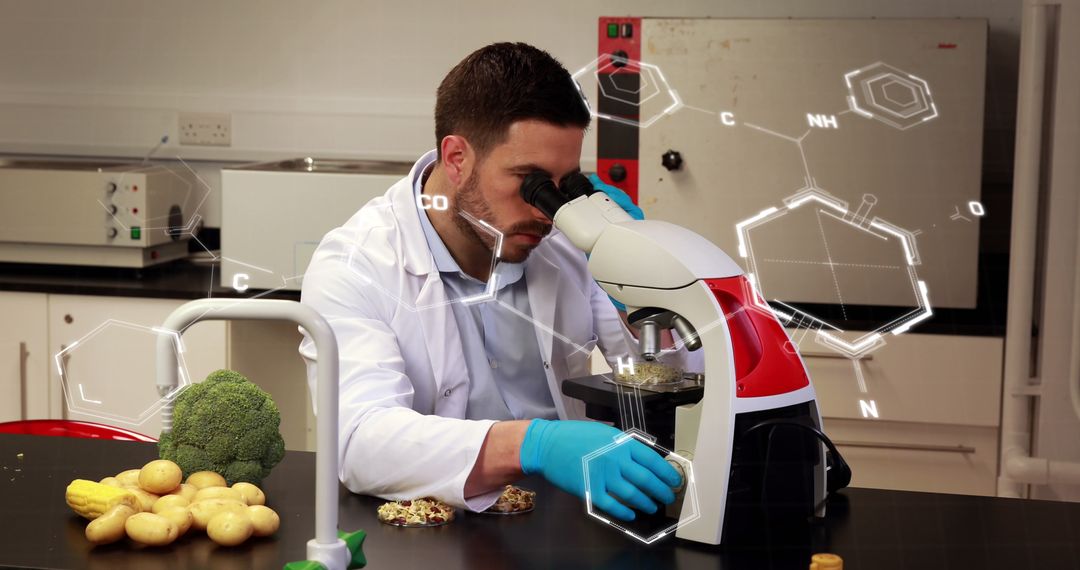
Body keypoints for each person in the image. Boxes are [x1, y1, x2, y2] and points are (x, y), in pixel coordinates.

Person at [299, 42, 693, 521]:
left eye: (563, 183)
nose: (546, 210)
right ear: (457, 158)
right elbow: (359, 442)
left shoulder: (566, 238)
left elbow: (655, 375)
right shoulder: (356, 264)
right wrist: (536, 444)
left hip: (563, 520)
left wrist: (648, 293)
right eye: (528, 180)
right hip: (437, 531)